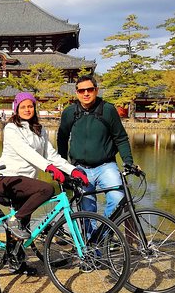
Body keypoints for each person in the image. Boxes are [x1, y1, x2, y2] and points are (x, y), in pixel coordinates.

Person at [0, 92, 88, 273]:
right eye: (23, 106)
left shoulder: (40, 129)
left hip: (26, 181)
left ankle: (18, 262)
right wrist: (49, 169)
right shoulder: (11, 128)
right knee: (46, 189)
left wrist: (72, 170)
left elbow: (52, 156)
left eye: (30, 106)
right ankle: (14, 220)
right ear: (16, 109)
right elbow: (26, 152)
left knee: (24, 224)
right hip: (7, 178)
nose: (27, 109)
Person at [57, 75, 138, 218]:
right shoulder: (70, 112)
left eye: (89, 89)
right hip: (80, 168)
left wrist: (128, 162)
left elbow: (120, 138)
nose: (86, 93)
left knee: (118, 199)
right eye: (82, 91)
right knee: (86, 209)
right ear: (76, 93)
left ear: (96, 90)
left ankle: (103, 236)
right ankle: (91, 240)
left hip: (106, 166)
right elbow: (62, 139)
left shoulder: (108, 110)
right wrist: (64, 167)